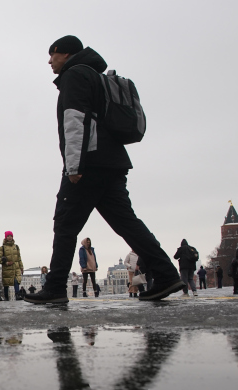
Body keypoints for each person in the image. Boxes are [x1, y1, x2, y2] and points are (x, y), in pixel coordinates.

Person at [26, 36, 184, 304]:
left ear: (65, 54)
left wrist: (73, 166)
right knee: (127, 223)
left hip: (89, 164)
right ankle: (167, 274)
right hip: (113, 162)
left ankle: (54, 288)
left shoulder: (74, 76)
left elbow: (75, 121)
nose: (49, 61)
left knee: (65, 224)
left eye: (52, 55)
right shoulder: (98, 77)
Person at [0, 231, 23, 301]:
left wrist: (21, 267)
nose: (9, 237)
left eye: (11, 236)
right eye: (8, 236)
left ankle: (17, 294)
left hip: (16, 267)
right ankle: (6, 296)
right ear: (6, 237)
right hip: (7, 268)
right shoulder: (2, 248)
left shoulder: (16, 247)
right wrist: (6, 262)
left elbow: (19, 258)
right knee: (6, 283)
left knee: (16, 280)